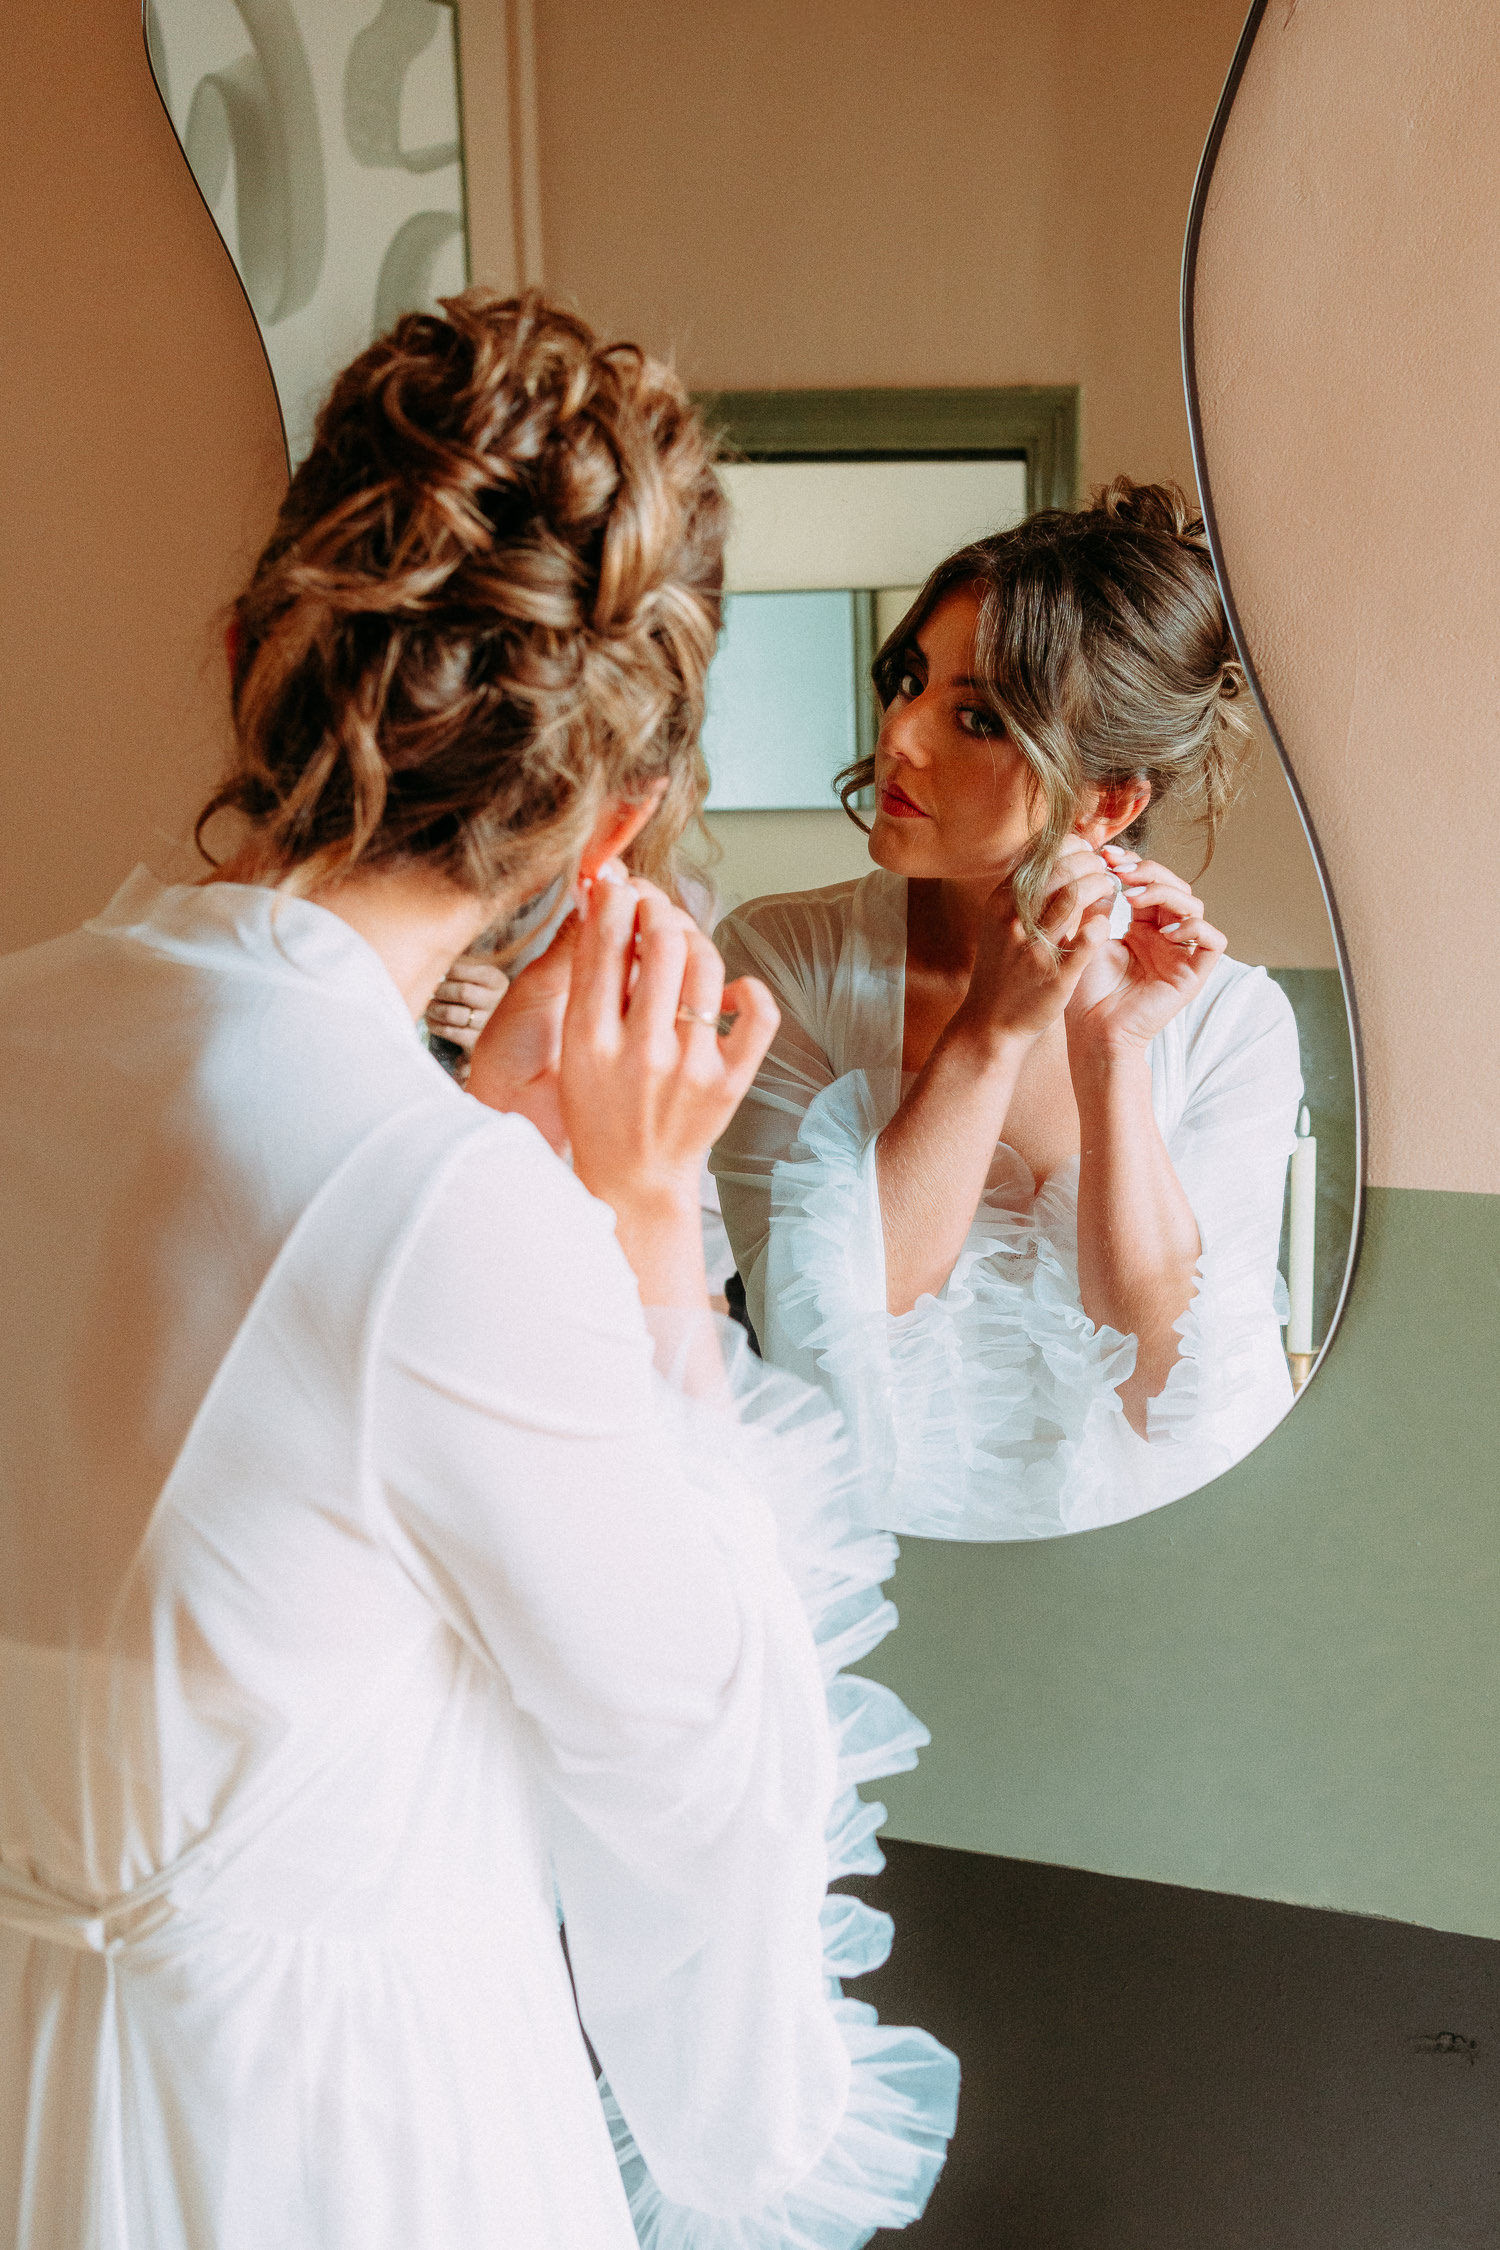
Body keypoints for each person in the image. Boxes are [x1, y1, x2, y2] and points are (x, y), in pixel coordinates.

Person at [0, 290, 956, 2248]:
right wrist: (644, 1223)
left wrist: (494, 1178)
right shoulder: (452, 1219)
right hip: (320, 2144)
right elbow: (700, 1784)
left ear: (262, 648)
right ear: (607, 827)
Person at [711, 481, 1303, 1540]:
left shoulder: (1231, 1026)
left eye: (975, 718)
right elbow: (828, 1356)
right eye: (908, 682)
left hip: (1160, 1579)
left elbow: (1176, 1392)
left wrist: (1113, 1060)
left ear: (1108, 803)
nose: (899, 736)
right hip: (868, 1584)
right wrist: (990, 1033)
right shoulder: (780, 960)